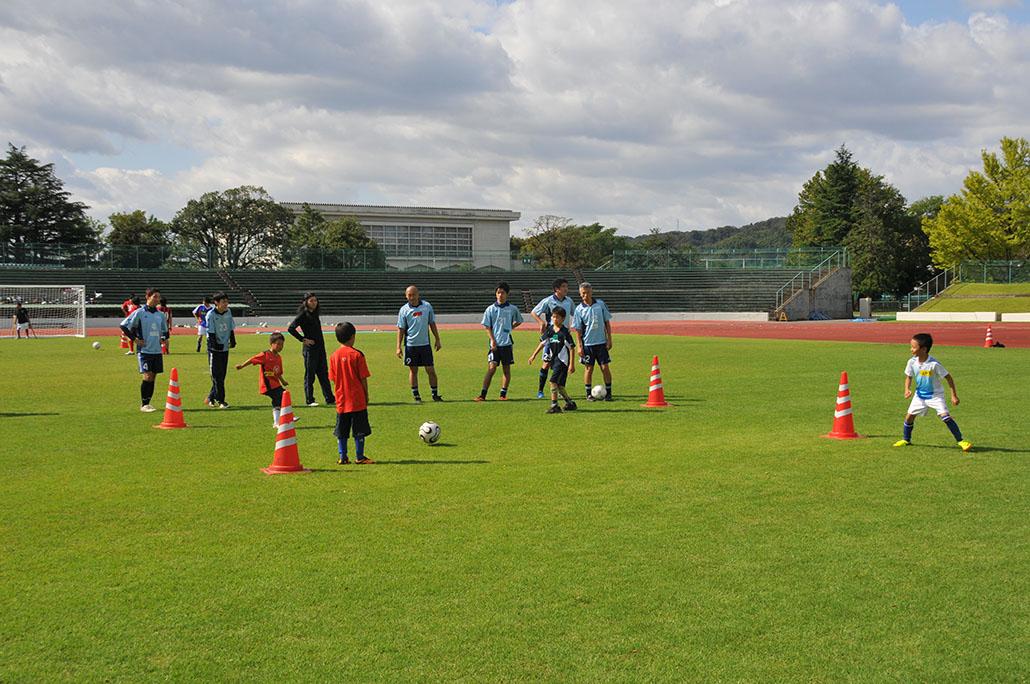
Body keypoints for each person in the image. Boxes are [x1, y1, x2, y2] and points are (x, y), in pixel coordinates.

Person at [893, 333, 972, 451]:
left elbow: (948, 378)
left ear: (924, 349)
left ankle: (961, 441)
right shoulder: (912, 362)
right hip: (919, 396)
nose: (911, 350)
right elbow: (909, 377)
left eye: (914, 347)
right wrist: (907, 389)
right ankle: (906, 440)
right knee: (909, 418)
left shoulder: (934, 364)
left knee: (946, 417)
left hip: (935, 396)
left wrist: (954, 395)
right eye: (911, 346)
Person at [329, 322, 373, 465]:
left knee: (342, 429)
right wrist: (366, 394)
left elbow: (334, 379)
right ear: (352, 336)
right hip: (356, 399)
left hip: (341, 399)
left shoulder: (334, 356)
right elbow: (363, 378)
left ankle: (343, 457)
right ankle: (360, 457)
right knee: (359, 429)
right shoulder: (357, 355)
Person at [119, 287, 169, 413]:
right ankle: (144, 404)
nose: (157, 299)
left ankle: (148, 402)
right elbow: (124, 326)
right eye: (155, 297)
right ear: (147, 297)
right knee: (147, 376)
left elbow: (165, 331)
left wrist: (162, 338)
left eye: (158, 297)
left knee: (153, 376)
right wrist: (135, 340)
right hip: (145, 350)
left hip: (157, 350)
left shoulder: (160, 314)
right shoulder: (139, 313)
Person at [235, 332, 296, 429]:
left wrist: (283, 381)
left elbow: (278, 372)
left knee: (281, 397)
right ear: (271, 343)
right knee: (282, 395)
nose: (281, 347)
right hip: (267, 384)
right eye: (278, 344)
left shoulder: (278, 357)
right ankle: (284, 418)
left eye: (282, 344)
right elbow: (252, 360)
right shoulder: (265, 354)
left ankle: (280, 420)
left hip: (275, 384)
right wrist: (242, 366)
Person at [476, 281, 524, 401]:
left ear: (507, 294)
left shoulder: (512, 309)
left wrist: (510, 327)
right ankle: (483, 394)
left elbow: (519, 320)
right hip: (495, 345)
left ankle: (503, 394)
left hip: (507, 343)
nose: (500, 295)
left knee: (506, 369)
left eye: (502, 293)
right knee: (492, 369)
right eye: (498, 293)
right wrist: (492, 340)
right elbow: (487, 326)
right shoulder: (491, 309)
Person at [530, 277, 576, 399]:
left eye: (566, 286)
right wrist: (541, 323)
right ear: (557, 289)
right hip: (552, 336)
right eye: (564, 287)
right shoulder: (548, 301)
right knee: (546, 364)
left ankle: (560, 390)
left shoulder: (569, 301)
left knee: (562, 364)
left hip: (564, 337)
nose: (566, 289)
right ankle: (540, 390)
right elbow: (534, 312)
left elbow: (575, 314)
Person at [287, 293, 335, 407]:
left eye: (315, 301)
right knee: (310, 375)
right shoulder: (303, 314)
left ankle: (330, 398)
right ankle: (309, 400)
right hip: (310, 350)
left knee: (324, 374)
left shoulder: (315, 314)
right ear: (305, 302)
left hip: (320, 348)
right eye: (311, 301)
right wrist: (303, 339)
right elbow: (291, 328)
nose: (314, 303)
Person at [396, 285, 442, 403]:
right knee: (413, 370)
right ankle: (416, 396)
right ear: (406, 296)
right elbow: (401, 329)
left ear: (418, 294)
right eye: (409, 295)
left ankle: (435, 394)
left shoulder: (426, 306)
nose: (411, 297)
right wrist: (398, 347)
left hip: (425, 344)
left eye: (413, 294)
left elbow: (432, 323)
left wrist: (437, 339)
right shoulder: (404, 310)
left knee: (430, 369)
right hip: (411, 345)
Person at [528, 307, 577, 414]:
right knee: (559, 385)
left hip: (562, 361)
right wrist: (534, 355)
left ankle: (554, 405)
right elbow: (543, 342)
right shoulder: (550, 329)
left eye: (557, 317)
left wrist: (571, 364)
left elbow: (572, 347)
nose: (555, 319)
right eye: (553, 317)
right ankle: (570, 403)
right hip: (554, 360)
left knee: (552, 381)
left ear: (563, 319)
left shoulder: (565, 333)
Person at [571, 281, 613, 401]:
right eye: (583, 293)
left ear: (591, 292)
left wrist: (609, 339)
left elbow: (607, 322)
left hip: (601, 343)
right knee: (589, 368)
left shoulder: (600, 304)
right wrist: (579, 346)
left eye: (587, 293)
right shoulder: (579, 309)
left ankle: (609, 393)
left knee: (605, 367)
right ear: (580, 294)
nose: (586, 295)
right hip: (587, 344)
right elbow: (577, 329)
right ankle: (588, 394)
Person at [204, 292, 236, 409]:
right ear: (216, 303)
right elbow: (211, 333)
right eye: (223, 302)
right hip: (214, 348)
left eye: (227, 301)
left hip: (225, 347)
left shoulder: (228, 312)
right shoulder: (211, 315)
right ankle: (221, 401)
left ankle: (210, 398)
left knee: (222, 375)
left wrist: (232, 340)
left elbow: (231, 327)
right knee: (217, 376)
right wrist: (215, 346)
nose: (226, 304)